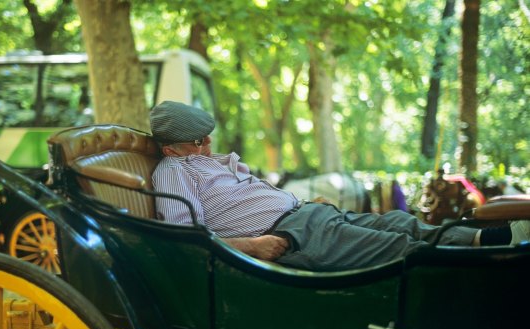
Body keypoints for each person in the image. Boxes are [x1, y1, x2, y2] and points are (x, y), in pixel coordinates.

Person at [150, 101, 530, 271]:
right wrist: (250, 245)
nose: (207, 145)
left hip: (304, 215)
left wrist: (298, 202)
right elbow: (185, 236)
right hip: (287, 237)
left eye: (207, 136)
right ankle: (494, 271)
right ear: (171, 147)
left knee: (401, 223)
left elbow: (247, 197)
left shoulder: (207, 160)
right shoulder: (173, 170)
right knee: (398, 248)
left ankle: (495, 240)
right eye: (197, 141)